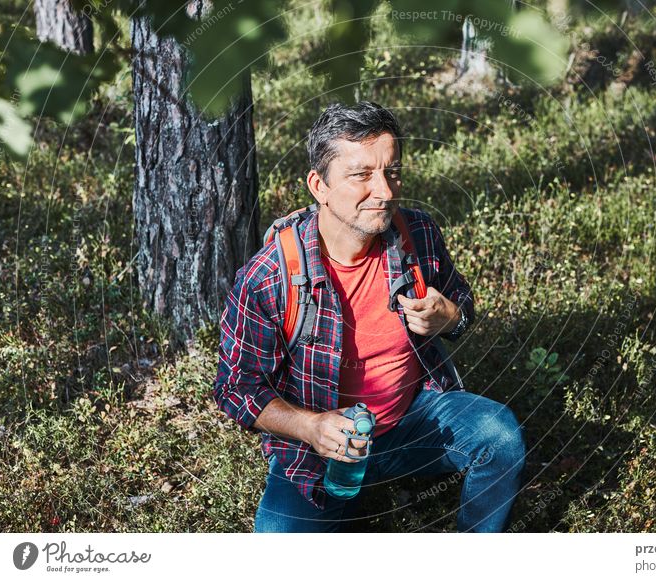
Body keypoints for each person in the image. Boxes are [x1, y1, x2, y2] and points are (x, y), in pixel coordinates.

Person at [213, 101, 527, 532]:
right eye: (361, 175)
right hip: (320, 454)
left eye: (392, 171)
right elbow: (235, 387)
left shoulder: (417, 234)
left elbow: (462, 306)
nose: (384, 190)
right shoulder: (270, 277)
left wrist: (451, 317)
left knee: (500, 436)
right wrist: (310, 427)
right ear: (318, 185)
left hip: (413, 422)